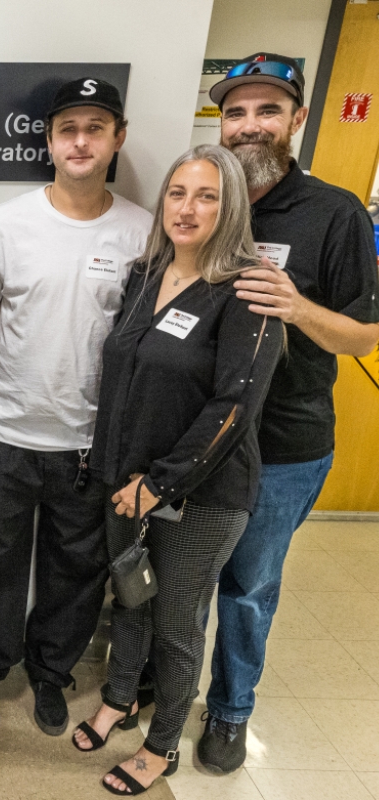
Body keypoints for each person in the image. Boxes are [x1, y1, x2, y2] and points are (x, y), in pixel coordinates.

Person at [77, 145, 284, 795]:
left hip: (202, 494)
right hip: (128, 482)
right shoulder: (147, 275)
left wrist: (158, 485)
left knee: (175, 622)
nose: (188, 208)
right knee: (130, 596)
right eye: (177, 193)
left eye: (206, 196)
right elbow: (124, 382)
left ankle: (162, 743)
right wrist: (116, 474)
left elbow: (233, 408)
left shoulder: (247, 289)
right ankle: (120, 698)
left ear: (231, 208)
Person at [0, 78, 153, 738]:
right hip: (4, 434)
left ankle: (49, 673)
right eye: (69, 128)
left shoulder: (141, 231)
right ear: (49, 139)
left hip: (88, 444)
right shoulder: (6, 224)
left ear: (117, 139)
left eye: (96, 127)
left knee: (74, 576)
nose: (81, 140)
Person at [198, 52, 379, 774]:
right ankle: (162, 683)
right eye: (236, 112)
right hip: (199, 437)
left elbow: (364, 334)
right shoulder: (203, 199)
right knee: (182, 576)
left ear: (296, 120)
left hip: (284, 446)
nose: (249, 126)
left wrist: (298, 307)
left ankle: (229, 712)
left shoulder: (333, 212)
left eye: (267, 111)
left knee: (248, 588)